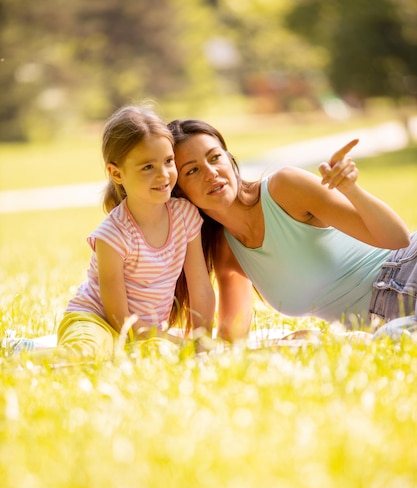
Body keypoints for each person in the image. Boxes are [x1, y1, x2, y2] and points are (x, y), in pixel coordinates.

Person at [168, 118, 417, 342]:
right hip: (387, 323)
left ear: (229, 158)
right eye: (192, 170)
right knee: (393, 337)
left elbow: (398, 239)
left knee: (393, 336)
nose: (211, 173)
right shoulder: (227, 252)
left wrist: (351, 190)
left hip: (405, 271)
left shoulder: (285, 188)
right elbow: (231, 339)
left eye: (215, 157)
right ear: (179, 192)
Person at [4, 106, 215, 363]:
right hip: (96, 321)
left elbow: (200, 286)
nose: (163, 174)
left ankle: (27, 348)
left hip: (142, 332)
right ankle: (15, 358)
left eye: (168, 161)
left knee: (170, 355)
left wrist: (202, 341)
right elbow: (118, 319)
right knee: (88, 355)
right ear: (116, 173)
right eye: (148, 166)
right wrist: (169, 340)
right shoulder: (112, 235)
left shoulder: (185, 216)